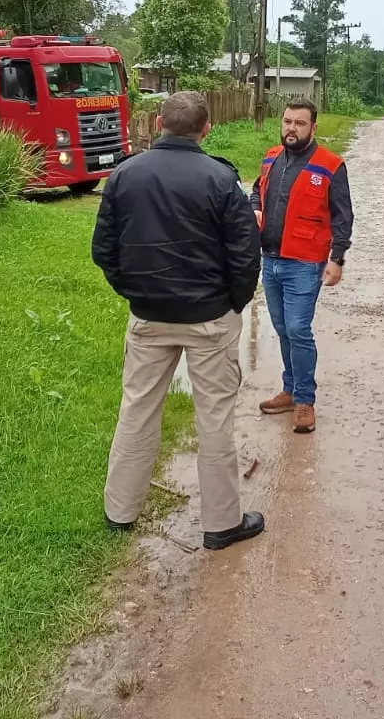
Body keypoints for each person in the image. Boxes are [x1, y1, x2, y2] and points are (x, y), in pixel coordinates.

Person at [91, 91, 265, 551]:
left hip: (149, 316)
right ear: (206, 129)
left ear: (157, 123)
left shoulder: (124, 174)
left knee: (137, 411)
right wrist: (234, 304)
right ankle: (222, 523)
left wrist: (135, 292)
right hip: (209, 317)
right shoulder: (221, 179)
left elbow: (103, 251)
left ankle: (119, 512)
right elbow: (245, 255)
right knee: (214, 420)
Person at [250, 98, 353, 435]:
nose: (291, 128)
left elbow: (343, 217)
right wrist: (254, 209)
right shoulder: (270, 158)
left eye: (299, 123)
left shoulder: (330, 166)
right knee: (282, 328)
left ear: (313, 127)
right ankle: (290, 390)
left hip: (305, 263)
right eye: (287, 121)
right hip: (271, 258)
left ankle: (305, 400)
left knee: (297, 329)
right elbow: (256, 191)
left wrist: (337, 259)